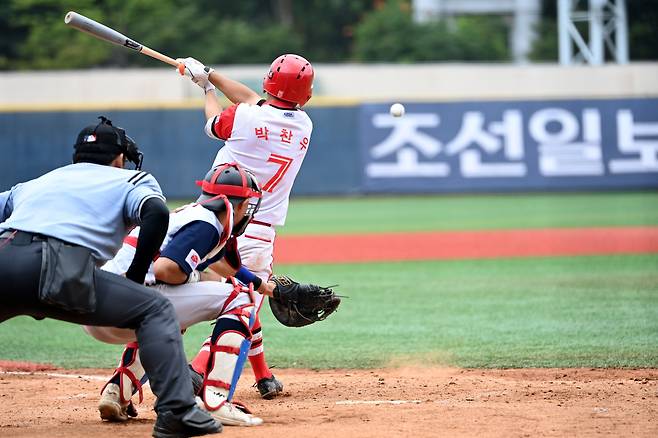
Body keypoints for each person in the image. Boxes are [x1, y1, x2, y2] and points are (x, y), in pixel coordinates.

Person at [0, 117, 220, 438]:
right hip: (60, 266)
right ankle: (176, 411)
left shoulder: (36, 182)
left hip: (4, 255)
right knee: (155, 308)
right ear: (119, 158)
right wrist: (133, 277)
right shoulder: (131, 179)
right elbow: (156, 214)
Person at [88, 162, 273, 426]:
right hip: (123, 302)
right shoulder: (206, 225)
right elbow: (165, 269)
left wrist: (266, 287)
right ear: (238, 204)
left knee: (165, 318)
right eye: (248, 204)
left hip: (97, 307)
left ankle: (117, 390)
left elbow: (226, 265)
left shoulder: (195, 217)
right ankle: (217, 401)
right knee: (240, 298)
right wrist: (191, 279)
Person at [177, 53, 315, 399]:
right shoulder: (304, 125)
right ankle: (203, 369)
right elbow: (254, 102)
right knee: (243, 304)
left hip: (210, 225)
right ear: (307, 96)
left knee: (228, 302)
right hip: (259, 231)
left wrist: (207, 89)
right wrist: (209, 74)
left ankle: (257, 375)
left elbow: (217, 120)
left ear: (268, 82)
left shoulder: (242, 116)